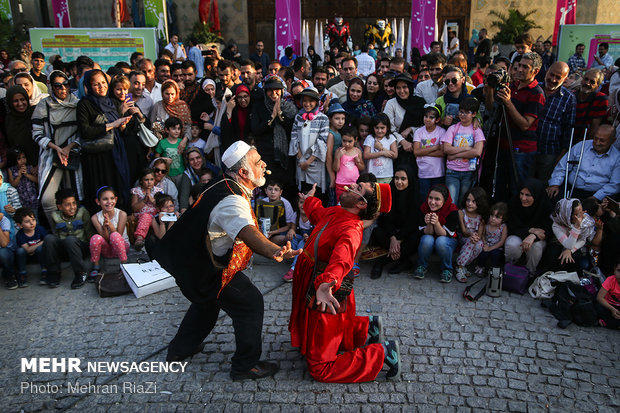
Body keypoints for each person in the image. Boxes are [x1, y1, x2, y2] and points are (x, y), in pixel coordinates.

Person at [150, 141, 300, 380]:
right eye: (257, 161)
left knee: (207, 303)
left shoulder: (223, 183)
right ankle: (244, 366)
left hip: (196, 261)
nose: (263, 164)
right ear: (243, 172)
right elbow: (247, 232)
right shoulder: (232, 199)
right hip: (207, 267)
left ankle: (180, 350)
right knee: (250, 303)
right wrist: (275, 251)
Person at [289, 181, 401, 383]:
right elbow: (318, 213)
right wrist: (309, 200)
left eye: (357, 188)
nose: (350, 186)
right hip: (316, 280)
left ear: (361, 204)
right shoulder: (336, 212)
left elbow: (342, 260)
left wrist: (326, 283)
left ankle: (382, 353)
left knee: (320, 368)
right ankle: (367, 327)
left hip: (327, 290)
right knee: (334, 326)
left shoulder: (351, 230)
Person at [31, 70, 82, 227]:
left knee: (76, 197)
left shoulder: (77, 103)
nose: (63, 89)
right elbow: (36, 133)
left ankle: (77, 235)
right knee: (48, 199)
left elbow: (84, 131)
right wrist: (56, 148)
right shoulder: (43, 105)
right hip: (51, 155)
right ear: (51, 87)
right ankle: (58, 232)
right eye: (58, 86)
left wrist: (70, 147)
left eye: (65, 84)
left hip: (73, 154)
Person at [77, 69, 132, 213]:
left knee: (118, 184)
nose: (101, 87)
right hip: (98, 156)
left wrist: (122, 124)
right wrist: (112, 125)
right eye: (96, 84)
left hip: (116, 152)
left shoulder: (110, 101)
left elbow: (120, 131)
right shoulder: (85, 103)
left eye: (103, 83)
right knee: (102, 188)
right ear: (88, 86)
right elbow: (85, 131)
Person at [494, 52, 546, 199]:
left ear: (535, 71)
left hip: (521, 150)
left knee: (517, 190)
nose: (520, 70)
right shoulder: (513, 85)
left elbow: (525, 125)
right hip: (503, 146)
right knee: (499, 188)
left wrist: (508, 102)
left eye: (525, 67)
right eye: (518, 66)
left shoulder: (537, 93)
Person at [250, 76, 298, 197]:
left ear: (282, 91)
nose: (274, 93)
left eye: (277, 89)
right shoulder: (259, 107)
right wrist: (271, 118)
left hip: (285, 156)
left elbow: (293, 129)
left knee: (285, 189)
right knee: (269, 188)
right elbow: (256, 129)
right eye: (270, 90)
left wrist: (280, 115)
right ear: (265, 92)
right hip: (266, 155)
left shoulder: (289, 107)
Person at [547, 124, 620, 201]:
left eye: (602, 140)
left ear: (613, 141)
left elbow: (614, 184)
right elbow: (563, 166)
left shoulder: (617, 157)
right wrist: (555, 184)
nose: (597, 143)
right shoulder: (581, 146)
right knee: (551, 197)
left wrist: (596, 197)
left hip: (595, 194)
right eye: (595, 138)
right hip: (571, 189)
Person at [370, 166, 419, 278]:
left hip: (405, 234)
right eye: (396, 178)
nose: (399, 182)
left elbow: (413, 222)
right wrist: (393, 238)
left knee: (415, 238)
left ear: (409, 180)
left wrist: (399, 240)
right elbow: (386, 219)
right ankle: (404, 261)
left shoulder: (415, 195)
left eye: (403, 179)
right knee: (377, 232)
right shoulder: (389, 192)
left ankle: (382, 262)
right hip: (391, 232)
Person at [532, 61, 576, 182]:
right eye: (551, 75)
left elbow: (568, 130)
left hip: (549, 152)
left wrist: (561, 157)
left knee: (542, 186)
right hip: (527, 148)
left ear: (565, 79)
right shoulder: (535, 88)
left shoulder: (569, 98)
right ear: (546, 72)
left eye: (558, 77)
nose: (553, 79)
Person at [44, 188, 93, 289]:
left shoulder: (82, 212)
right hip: (65, 249)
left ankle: (80, 273)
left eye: (74, 203)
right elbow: (56, 235)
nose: (72, 207)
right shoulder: (55, 216)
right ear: (60, 207)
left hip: (80, 248)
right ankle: (54, 272)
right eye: (67, 205)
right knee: (49, 238)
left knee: (70, 240)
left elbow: (89, 232)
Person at [441, 97, 485, 204]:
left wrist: (454, 155)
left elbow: (477, 152)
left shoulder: (477, 130)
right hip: (452, 171)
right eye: (461, 112)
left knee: (464, 202)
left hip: (468, 171)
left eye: (466, 113)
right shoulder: (453, 128)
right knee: (451, 202)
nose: (462, 115)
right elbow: (446, 148)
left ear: (474, 114)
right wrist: (466, 148)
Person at [109, 74, 150, 186]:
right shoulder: (110, 104)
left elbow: (144, 124)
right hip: (123, 149)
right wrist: (122, 112)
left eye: (125, 89)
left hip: (137, 147)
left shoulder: (129, 101)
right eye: (118, 89)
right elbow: (116, 128)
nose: (122, 93)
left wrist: (140, 115)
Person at [505, 178, 552, 276]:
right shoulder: (514, 203)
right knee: (512, 244)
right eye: (521, 193)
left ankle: (529, 274)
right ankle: (509, 271)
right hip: (518, 233)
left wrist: (533, 236)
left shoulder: (545, 205)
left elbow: (547, 230)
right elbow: (512, 225)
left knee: (536, 247)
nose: (523, 198)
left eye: (528, 195)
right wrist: (531, 230)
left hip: (536, 238)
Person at [413, 185, 459, 282]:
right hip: (430, 237)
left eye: (437, 199)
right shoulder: (424, 208)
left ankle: (447, 269)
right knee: (426, 239)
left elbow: (446, 234)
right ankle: (422, 266)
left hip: (447, 239)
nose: (432, 202)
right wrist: (429, 223)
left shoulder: (452, 210)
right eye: (430, 198)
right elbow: (426, 232)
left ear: (445, 200)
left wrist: (437, 223)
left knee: (441, 241)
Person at [289, 87, 329, 196]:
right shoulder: (298, 117)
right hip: (301, 162)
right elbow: (294, 138)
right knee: (302, 193)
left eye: (311, 101)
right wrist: (302, 159)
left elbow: (322, 141)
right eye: (305, 100)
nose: (307, 104)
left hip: (315, 164)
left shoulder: (323, 119)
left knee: (315, 193)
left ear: (316, 102)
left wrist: (308, 161)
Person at [545, 198, 601, 276]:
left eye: (581, 211)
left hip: (576, 245)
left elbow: (582, 240)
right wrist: (577, 227)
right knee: (553, 253)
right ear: (567, 215)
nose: (581, 216)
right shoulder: (557, 224)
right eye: (576, 214)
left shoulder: (586, 221)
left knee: (573, 257)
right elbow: (568, 244)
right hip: (559, 243)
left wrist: (570, 251)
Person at [89, 186, 129, 281]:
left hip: (122, 248)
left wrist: (110, 225)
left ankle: (124, 264)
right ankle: (96, 266)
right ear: (98, 202)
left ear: (116, 199)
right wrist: (105, 227)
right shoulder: (95, 218)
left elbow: (118, 235)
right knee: (95, 237)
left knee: (115, 235)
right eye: (105, 199)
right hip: (107, 251)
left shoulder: (122, 214)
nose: (109, 202)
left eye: (112, 198)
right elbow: (106, 239)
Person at [384, 72, 425, 155]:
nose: (401, 91)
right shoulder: (391, 103)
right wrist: (403, 142)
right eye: (398, 88)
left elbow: (426, 125)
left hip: (420, 145)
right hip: (397, 147)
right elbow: (388, 128)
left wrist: (411, 129)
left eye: (404, 87)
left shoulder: (419, 103)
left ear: (410, 88)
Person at [455, 187, 488, 283]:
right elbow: (464, 231)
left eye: (474, 201)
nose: (470, 203)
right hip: (463, 238)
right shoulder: (461, 213)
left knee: (479, 244)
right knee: (471, 241)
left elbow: (479, 234)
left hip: (473, 239)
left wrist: (475, 237)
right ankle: (459, 266)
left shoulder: (480, 217)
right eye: (468, 200)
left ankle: (464, 265)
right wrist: (471, 235)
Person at [413, 105, 445, 200]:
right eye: (426, 116)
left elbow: (442, 153)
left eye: (431, 117)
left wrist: (423, 152)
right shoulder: (419, 132)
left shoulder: (441, 131)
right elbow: (416, 151)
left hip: (438, 173)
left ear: (437, 119)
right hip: (423, 173)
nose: (427, 119)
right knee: (424, 198)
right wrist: (435, 147)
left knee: (438, 198)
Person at [3, 86, 39, 165]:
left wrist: (37, 164)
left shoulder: (36, 114)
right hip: (20, 167)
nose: (20, 104)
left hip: (39, 164)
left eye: (22, 99)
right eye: (15, 101)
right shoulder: (9, 119)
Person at [283, 193, 314, 282]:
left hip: (311, 240)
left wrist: (309, 237)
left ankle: (295, 268)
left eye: (306, 203)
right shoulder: (296, 214)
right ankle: (292, 257)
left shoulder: (313, 217)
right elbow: (293, 227)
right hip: (301, 236)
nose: (303, 206)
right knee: (291, 238)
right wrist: (291, 230)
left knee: (301, 244)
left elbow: (318, 232)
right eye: (301, 202)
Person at [14, 207, 47, 287]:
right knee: (20, 251)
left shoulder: (40, 229)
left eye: (33, 220)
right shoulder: (20, 234)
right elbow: (28, 250)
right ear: (20, 225)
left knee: (40, 249)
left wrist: (33, 248)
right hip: (27, 256)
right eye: (27, 221)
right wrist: (42, 242)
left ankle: (45, 271)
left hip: (41, 254)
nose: (32, 223)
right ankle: (22, 274)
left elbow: (48, 240)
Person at [256, 180, 296, 246]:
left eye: (276, 190)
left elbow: (289, 226)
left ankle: (265, 243)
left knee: (285, 238)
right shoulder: (262, 202)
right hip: (264, 232)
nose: (273, 192)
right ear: (266, 191)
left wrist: (273, 232)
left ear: (280, 192)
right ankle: (265, 243)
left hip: (279, 232)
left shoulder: (285, 203)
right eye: (270, 189)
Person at [573, 69, 608, 141]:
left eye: (592, 82)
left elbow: (594, 127)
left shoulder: (600, 99)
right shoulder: (571, 96)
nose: (587, 83)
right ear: (582, 80)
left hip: (585, 141)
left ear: (597, 86)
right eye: (586, 79)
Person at [363, 113, 398, 184]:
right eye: (377, 128)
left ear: (387, 127)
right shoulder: (370, 138)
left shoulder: (391, 138)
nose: (379, 131)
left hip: (387, 175)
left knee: (385, 194)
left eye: (382, 128)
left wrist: (381, 148)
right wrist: (382, 153)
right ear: (373, 127)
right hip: (372, 175)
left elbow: (395, 155)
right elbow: (366, 155)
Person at [475, 202, 508, 276]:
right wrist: (485, 244)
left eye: (497, 217)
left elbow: (502, 241)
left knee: (495, 254)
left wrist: (491, 248)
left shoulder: (503, 227)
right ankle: (480, 267)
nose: (493, 218)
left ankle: (494, 271)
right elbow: (483, 235)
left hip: (496, 247)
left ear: (503, 219)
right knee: (483, 254)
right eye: (492, 215)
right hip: (487, 245)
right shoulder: (487, 224)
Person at [333, 126, 364, 201]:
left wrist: (358, 162)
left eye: (350, 141)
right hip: (341, 184)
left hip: (355, 184)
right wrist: (338, 157)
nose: (346, 144)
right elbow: (335, 169)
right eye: (344, 141)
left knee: (353, 204)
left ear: (355, 140)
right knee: (341, 204)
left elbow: (362, 168)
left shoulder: (357, 151)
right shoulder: (339, 151)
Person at [155, 116, 186, 188]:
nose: (177, 131)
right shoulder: (162, 143)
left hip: (180, 173)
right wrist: (163, 160)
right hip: (166, 175)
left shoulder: (181, 142)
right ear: (167, 130)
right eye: (174, 128)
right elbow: (156, 157)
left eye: (179, 129)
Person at [220, 84, 253, 152]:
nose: (243, 100)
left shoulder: (254, 109)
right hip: (234, 149)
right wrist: (229, 109)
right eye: (239, 97)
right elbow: (225, 128)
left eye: (245, 96)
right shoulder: (234, 110)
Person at [595, 259, 620, 329]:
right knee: (598, 308)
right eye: (619, 271)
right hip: (608, 305)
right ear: (615, 270)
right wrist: (612, 309)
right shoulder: (611, 280)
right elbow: (599, 297)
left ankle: (608, 323)